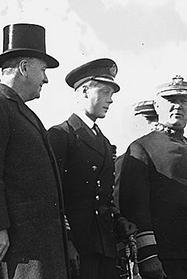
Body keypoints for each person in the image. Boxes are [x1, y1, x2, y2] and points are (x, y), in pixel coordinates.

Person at [0, 23, 69, 279]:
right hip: (15, 254)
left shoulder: (17, 110)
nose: (46, 78)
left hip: (31, 252)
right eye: (42, 70)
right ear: (23, 68)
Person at [119, 75, 187, 279]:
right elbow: (135, 206)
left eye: (183, 101)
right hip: (168, 260)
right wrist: (148, 256)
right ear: (157, 107)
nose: (177, 106)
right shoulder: (141, 148)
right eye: (171, 101)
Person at [47, 58, 137, 278]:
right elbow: (51, 196)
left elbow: (103, 198)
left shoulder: (104, 143)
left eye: (112, 94)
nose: (111, 100)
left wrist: (119, 222)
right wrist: (66, 242)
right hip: (75, 246)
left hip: (103, 246)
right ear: (85, 91)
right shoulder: (61, 135)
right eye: (105, 92)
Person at [114, 99, 158, 211]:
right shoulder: (124, 161)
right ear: (136, 125)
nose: (154, 125)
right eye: (149, 120)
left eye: (156, 120)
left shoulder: (160, 160)